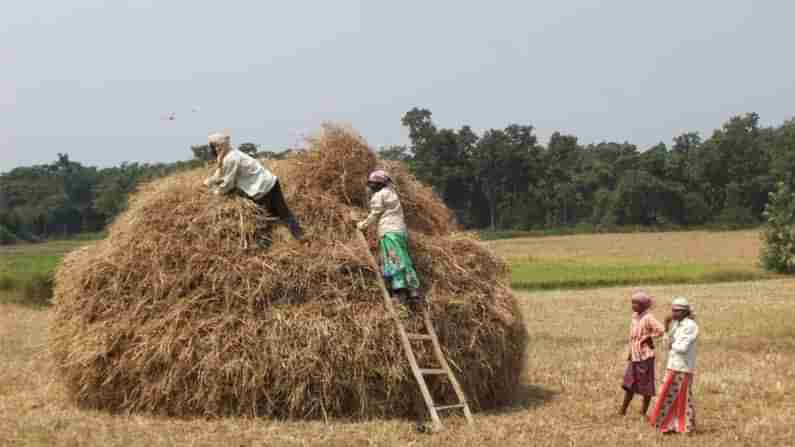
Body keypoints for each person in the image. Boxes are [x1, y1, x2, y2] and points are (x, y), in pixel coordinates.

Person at [203, 132, 303, 240]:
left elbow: (228, 184)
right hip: (270, 182)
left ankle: (271, 245)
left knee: (264, 221)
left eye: (214, 147)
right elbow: (221, 173)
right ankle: (299, 236)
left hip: (262, 189)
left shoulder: (231, 158)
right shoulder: (231, 153)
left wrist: (215, 192)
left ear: (220, 146)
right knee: (283, 214)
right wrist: (209, 182)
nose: (213, 150)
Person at [356, 170, 422, 306]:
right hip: (400, 231)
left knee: (394, 259)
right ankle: (413, 290)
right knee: (403, 257)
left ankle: (400, 292)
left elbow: (375, 213)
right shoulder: (393, 194)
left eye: (373, 184)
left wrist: (362, 225)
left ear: (379, 184)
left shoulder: (379, 195)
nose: (371, 186)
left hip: (388, 231)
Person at [649, 297, 699, 434]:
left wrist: (671, 344)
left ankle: (685, 426)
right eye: (673, 310)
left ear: (685, 312)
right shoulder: (677, 324)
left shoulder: (690, 326)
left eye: (676, 311)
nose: (673, 314)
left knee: (682, 397)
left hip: (683, 366)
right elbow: (667, 344)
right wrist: (666, 326)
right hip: (673, 365)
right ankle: (670, 425)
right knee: (669, 395)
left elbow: (682, 347)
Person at [620, 290, 665, 416]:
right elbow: (632, 337)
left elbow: (661, 330)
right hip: (634, 356)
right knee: (629, 384)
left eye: (636, 303)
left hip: (645, 356)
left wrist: (649, 337)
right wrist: (630, 352)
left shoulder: (648, 317)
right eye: (632, 303)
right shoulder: (634, 317)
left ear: (644, 305)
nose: (633, 306)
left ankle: (643, 412)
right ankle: (622, 410)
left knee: (646, 385)